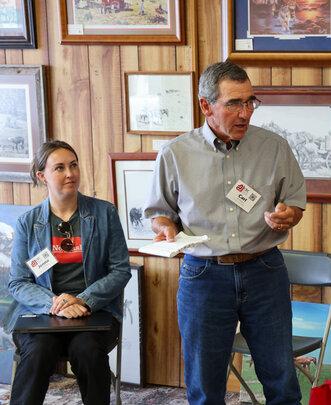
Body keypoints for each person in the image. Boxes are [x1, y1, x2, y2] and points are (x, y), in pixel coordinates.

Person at [144, 61, 306, 405]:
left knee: (282, 380)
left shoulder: (274, 147)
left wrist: (289, 215)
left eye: (250, 102)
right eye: (234, 103)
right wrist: (167, 229)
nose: (245, 113)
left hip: (264, 271)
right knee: (205, 386)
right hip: (203, 275)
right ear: (206, 105)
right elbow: (159, 213)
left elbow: (294, 204)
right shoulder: (175, 153)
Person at [7, 140, 131, 405]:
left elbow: (120, 271)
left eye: (73, 165)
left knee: (87, 350)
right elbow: (18, 282)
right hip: (42, 314)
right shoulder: (28, 223)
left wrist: (83, 299)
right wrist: (56, 304)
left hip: (93, 313)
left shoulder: (104, 213)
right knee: (39, 351)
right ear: (42, 176)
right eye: (60, 168)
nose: (70, 173)